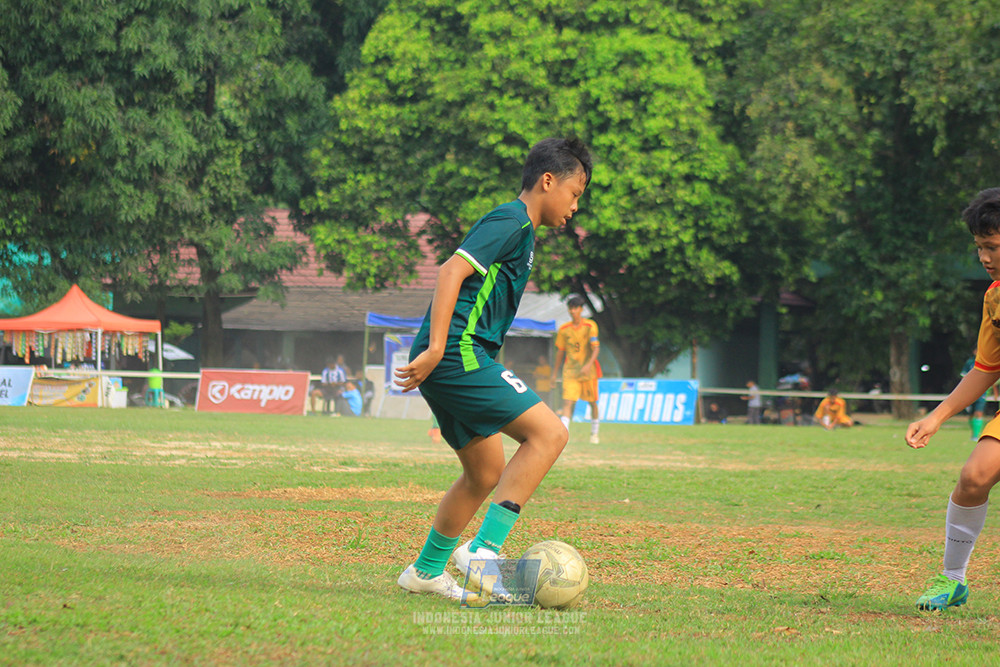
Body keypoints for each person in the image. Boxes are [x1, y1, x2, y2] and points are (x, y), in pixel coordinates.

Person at [394, 137, 593, 600]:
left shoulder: (523, 232)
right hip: (457, 354)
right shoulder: (511, 220)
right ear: (548, 181)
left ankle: (425, 571)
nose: (575, 207)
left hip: (457, 357)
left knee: (485, 473)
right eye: (575, 193)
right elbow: (449, 272)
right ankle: (483, 551)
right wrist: (438, 348)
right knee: (551, 433)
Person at [906, 187, 1000, 612]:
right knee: (973, 477)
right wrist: (937, 417)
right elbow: (986, 367)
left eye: (993, 247)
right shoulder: (995, 297)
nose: (984, 257)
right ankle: (953, 580)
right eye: (980, 247)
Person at [552, 295, 602, 444]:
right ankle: (563, 436)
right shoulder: (564, 329)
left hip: (588, 372)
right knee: (568, 402)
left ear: (581, 309)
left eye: (576, 308)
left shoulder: (590, 326)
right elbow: (560, 352)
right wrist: (554, 374)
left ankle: (594, 433)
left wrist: (588, 365)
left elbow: (596, 348)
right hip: (571, 371)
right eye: (571, 308)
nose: (573, 311)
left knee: (593, 403)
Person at [961, 351, 990, 440]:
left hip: (982, 393)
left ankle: (976, 435)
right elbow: (963, 376)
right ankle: (973, 432)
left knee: (978, 413)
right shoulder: (970, 363)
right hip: (970, 392)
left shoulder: (988, 362)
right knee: (971, 415)